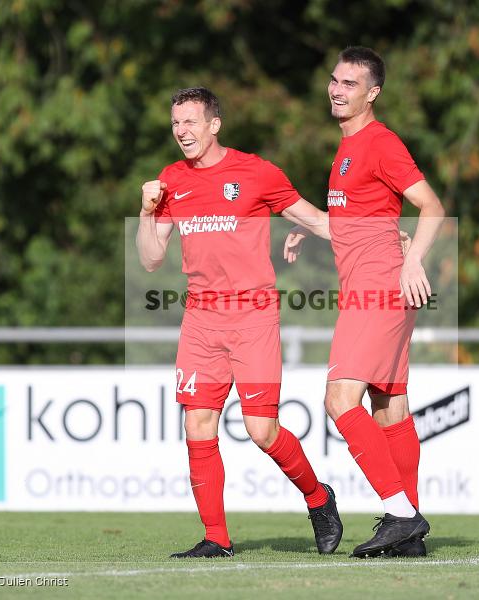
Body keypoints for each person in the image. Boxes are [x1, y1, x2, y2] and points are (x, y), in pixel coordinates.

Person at [136, 87, 342, 558]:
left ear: (214, 124)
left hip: (252, 316)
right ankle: (217, 539)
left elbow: (317, 220)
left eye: (190, 122)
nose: (181, 131)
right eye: (175, 124)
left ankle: (318, 497)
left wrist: (382, 232)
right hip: (201, 319)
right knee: (198, 425)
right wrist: (148, 212)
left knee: (261, 430)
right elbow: (150, 259)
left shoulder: (255, 172)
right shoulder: (171, 180)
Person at [285, 47, 445, 558]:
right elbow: (357, 222)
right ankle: (409, 533)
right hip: (372, 282)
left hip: (381, 284)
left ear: (372, 93)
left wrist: (413, 259)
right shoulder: (346, 149)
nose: (337, 90)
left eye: (350, 84)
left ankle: (401, 515)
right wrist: (310, 231)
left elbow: (432, 207)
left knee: (339, 400)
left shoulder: (378, 142)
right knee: (389, 406)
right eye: (334, 80)